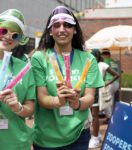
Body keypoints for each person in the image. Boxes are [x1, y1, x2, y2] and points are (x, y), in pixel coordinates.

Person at [31, 6, 104, 150]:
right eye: (56, 25)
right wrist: (58, 101)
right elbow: (41, 97)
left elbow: (89, 97)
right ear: (50, 31)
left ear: (75, 30)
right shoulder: (39, 58)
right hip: (46, 138)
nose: (62, 29)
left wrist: (77, 102)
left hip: (78, 136)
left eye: (68, 25)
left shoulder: (88, 59)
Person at [0, 9, 36, 150]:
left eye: (15, 35)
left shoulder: (24, 68)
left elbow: (30, 109)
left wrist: (18, 107)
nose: (8, 36)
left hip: (16, 143)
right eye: (3, 31)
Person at [89, 49, 120, 149]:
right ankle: (97, 135)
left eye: (94, 55)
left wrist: (107, 83)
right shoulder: (88, 64)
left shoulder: (102, 64)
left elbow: (116, 75)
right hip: (87, 92)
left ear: (97, 56)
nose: (92, 57)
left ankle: (95, 139)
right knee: (89, 116)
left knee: (94, 116)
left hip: (97, 93)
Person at [101, 48, 120, 119]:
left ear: (103, 55)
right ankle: (112, 116)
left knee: (107, 101)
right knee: (111, 101)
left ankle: (109, 117)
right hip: (116, 83)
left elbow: (104, 73)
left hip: (109, 82)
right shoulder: (114, 62)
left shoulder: (105, 61)